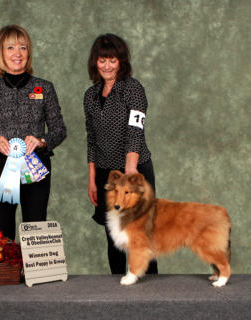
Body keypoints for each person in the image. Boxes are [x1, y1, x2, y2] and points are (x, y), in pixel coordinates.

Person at [0, 25, 66, 240]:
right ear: (1, 52)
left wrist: (42, 141)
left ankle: (33, 274)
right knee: (2, 232)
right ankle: (7, 274)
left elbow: (59, 130)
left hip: (37, 168)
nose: (17, 53)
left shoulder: (45, 88)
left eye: (23, 47)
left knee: (35, 229)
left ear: (29, 52)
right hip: (1, 168)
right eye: (10, 47)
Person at [84, 33, 158, 274]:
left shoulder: (133, 89)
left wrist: (130, 171)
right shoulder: (90, 96)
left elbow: (135, 132)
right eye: (102, 60)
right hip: (107, 175)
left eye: (112, 60)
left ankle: (151, 290)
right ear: (95, 62)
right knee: (113, 235)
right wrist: (92, 178)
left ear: (121, 62)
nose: (107, 65)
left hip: (133, 170)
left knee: (140, 232)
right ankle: (116, 292)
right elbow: (91, 139)